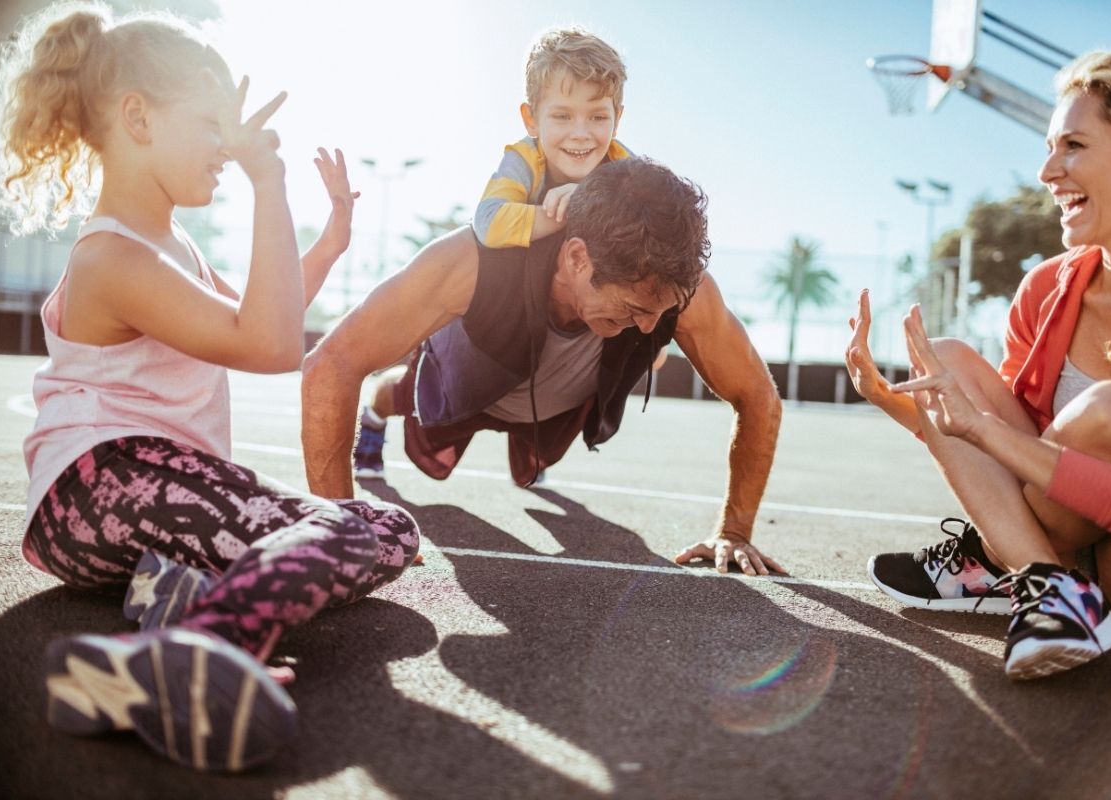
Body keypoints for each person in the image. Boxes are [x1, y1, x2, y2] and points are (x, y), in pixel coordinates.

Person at [0, 3, 419, 770]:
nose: (227, 147)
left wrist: (327, 243)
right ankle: (204, 648)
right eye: (212, 125)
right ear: (139, 117)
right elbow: (269, 343)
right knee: (358, 530)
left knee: (385, 530)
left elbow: (261, 308)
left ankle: (160, 625)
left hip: (120, 505)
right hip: (104, 484)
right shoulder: (114, 259)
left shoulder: (170, 247)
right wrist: (267, 181)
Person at [846, 48, 1111, 680]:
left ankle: (1007, 569)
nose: (1045, 172)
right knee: (946, 359)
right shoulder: (1048, 289)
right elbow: (1012, 471)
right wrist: (899, 403)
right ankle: (1049, 587)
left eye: (1073, 146)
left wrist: (984, 433)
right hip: (1085, 551)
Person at [302, 157, 786, 577]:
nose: (648, 327)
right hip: (466, 378)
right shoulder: (472, 261)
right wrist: (344, 531)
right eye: (634, 307)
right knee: (401, 395)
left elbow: (759, 395)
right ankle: (376, 415)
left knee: (535, 463)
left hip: (552, 406)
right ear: (577, 257)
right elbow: (331, 362)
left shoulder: (684, 294)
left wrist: (736, 531)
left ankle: (528, 441)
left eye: (660, 313)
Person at [354, 26, 633, 479]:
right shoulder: (524, 161)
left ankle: (528, 444)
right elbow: (488, 222)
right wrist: (557, 213)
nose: (581, 134)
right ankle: (373, 417)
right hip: (483, 330)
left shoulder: (625, 172)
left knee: (545, 401)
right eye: (561, 115)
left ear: (617, 118)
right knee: (412, 391)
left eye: (597, 117)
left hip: (551, 334)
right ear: (531, 118)